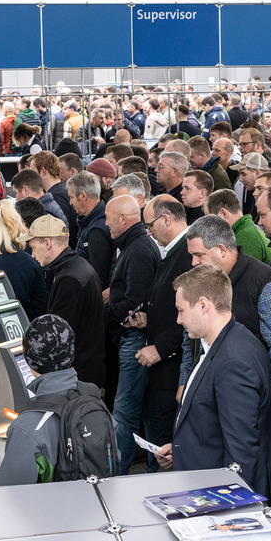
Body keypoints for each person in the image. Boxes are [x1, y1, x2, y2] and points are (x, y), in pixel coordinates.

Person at [157, 265, 271, 511]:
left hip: (224, 503)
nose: (178, 320)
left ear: (203, 305)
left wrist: (234, 516)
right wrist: (183, 449)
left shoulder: (233, 361)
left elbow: (242, 451)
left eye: (180, 310)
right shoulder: (224, 343)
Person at [181, 215, 271, 393]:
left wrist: (258, 395)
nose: (194, 263)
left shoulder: (265, 284)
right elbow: (191, 340)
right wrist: (185, 380)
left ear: (222, 250)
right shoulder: (203, 280)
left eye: (199, 255)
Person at [0, 315, 101, 485]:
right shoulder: (93, 397)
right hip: (98, 504)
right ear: (71, 353)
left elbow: (10, 494)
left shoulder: (26, 429)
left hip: (52, 511)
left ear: (29, 360)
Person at [104, 194, 161, 468]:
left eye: (109, 219)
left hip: (135, 342)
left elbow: (133, 304)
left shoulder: (137, 250)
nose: (106, 225)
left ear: (124, 220)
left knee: (124, 413)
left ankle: (117, 473)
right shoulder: (136, 245)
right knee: (144, 414)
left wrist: (102, 313)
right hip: (136, 341)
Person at [136, 196, 191, 466]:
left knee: (165, 447)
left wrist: (161, 348)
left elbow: (190, 316)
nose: (148, 232)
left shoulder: (187, 252)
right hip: (164, 368)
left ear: (166, 219)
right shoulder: (174, 249)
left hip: (172, 369)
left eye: (150, 225)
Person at [21, 215, 105, 388]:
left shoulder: (69, 279)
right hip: (87, 371)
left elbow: (57, 338)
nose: (33, 254)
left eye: (33, 247)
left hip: (77, 378)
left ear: (47, 242)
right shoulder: (78, 266)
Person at [66, 171, 113, 290]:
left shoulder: (97, 230)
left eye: (72, 197)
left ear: (83, 195)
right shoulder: (88, 222)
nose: (70, 203)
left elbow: (100, 277)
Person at [204, 188, 271, 264]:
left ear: (223, 213)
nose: (210, 226)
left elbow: (242, 274)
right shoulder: (243, 230)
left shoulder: (247, 237)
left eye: (211, 220)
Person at [32, 152, 80, 249]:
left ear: (42, 171)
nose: (31, 177)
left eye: (33, 172)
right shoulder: (61, 190)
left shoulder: (57, 196)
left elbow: (63, 234)